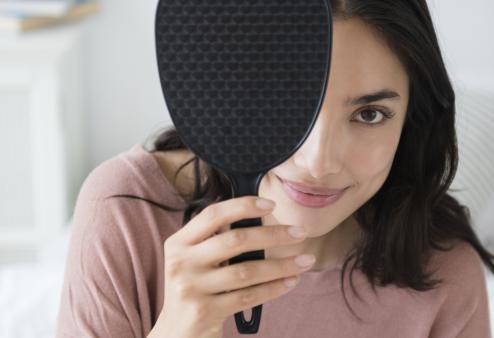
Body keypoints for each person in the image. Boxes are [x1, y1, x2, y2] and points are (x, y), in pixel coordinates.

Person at [55, 0, 494, 337]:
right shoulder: (126, 216)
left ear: (411, 120)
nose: (319, 162)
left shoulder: (446, 276)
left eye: (370, 114)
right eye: (289, 103)